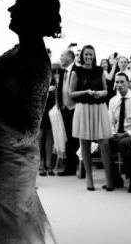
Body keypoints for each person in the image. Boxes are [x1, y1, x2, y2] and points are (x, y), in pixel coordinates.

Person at [0, 0, 60, 243]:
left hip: (13, 162)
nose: (10, 9)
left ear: (33, 16)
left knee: (10, 230)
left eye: (18, 5)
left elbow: (29, 130)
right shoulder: (20, 50)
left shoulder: (35, 61)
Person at [70, 44, 115, 191]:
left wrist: (101, 93)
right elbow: (71, 93)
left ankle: (110, 180)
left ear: (94, 56)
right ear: (82, 55)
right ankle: (89, 179)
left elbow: (105, 90)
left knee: (104, 142)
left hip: (99, 107)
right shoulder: (76, 71)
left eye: (91, 54)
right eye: (86, 54)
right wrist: (86, 92)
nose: (89, 57)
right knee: (85, 143)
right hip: (83, 108)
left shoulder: (99, 70)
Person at [107, 72, 131, 193]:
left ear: (128, 83)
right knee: (105, 143)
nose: (119, 84)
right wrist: (113, 133)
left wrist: (127, 133)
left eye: (122, 82)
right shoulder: (113, 101)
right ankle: (116, 180)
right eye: (117, 82)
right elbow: (111, 122)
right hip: (118, 135)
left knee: (124, 143)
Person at [55, 48, 79, 176]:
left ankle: (73, 167)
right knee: (68, 139)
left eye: (62, 55)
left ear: (70, 58)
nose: (60, 58)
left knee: (74, 139)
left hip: (75, 109)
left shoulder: (77, 71)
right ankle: (70, 167)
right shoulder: (62, 71)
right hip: (65, 109)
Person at [38, 61, 59, 177]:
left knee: (50, 139)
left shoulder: (56, 79)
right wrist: (47, 90)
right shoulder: (39, 76)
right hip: (41, 111)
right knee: (40, 139)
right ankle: (40, 165)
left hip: (52, 111)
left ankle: (49, 165)